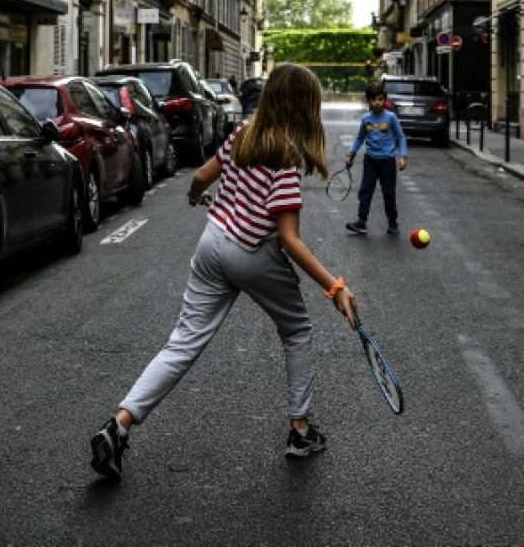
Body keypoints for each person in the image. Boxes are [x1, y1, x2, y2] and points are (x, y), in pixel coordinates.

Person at [89, 63, 356, 480]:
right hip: (253, 251)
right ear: (305, 107)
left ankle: (119, 425)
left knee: (182, 342)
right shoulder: (285, 157)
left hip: (212, 244)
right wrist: (334, 286)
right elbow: (289, 239)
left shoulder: (243, 132)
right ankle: (300, 432)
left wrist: (199, 196)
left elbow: (199, 178)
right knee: (297, 331)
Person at [344, 81, 408, 237]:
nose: (377, 103)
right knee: (365, 191)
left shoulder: (391, 117)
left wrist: (403, 156)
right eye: (373, 100)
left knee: (388, 193)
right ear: (369, 101)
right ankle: (361, 222)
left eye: (380, 99)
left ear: (385, 100)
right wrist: (351, 153)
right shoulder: (366, 119)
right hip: (370, 161)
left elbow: (401, 136)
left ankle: (392, 222)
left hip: (387, 161)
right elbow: (360, 138)